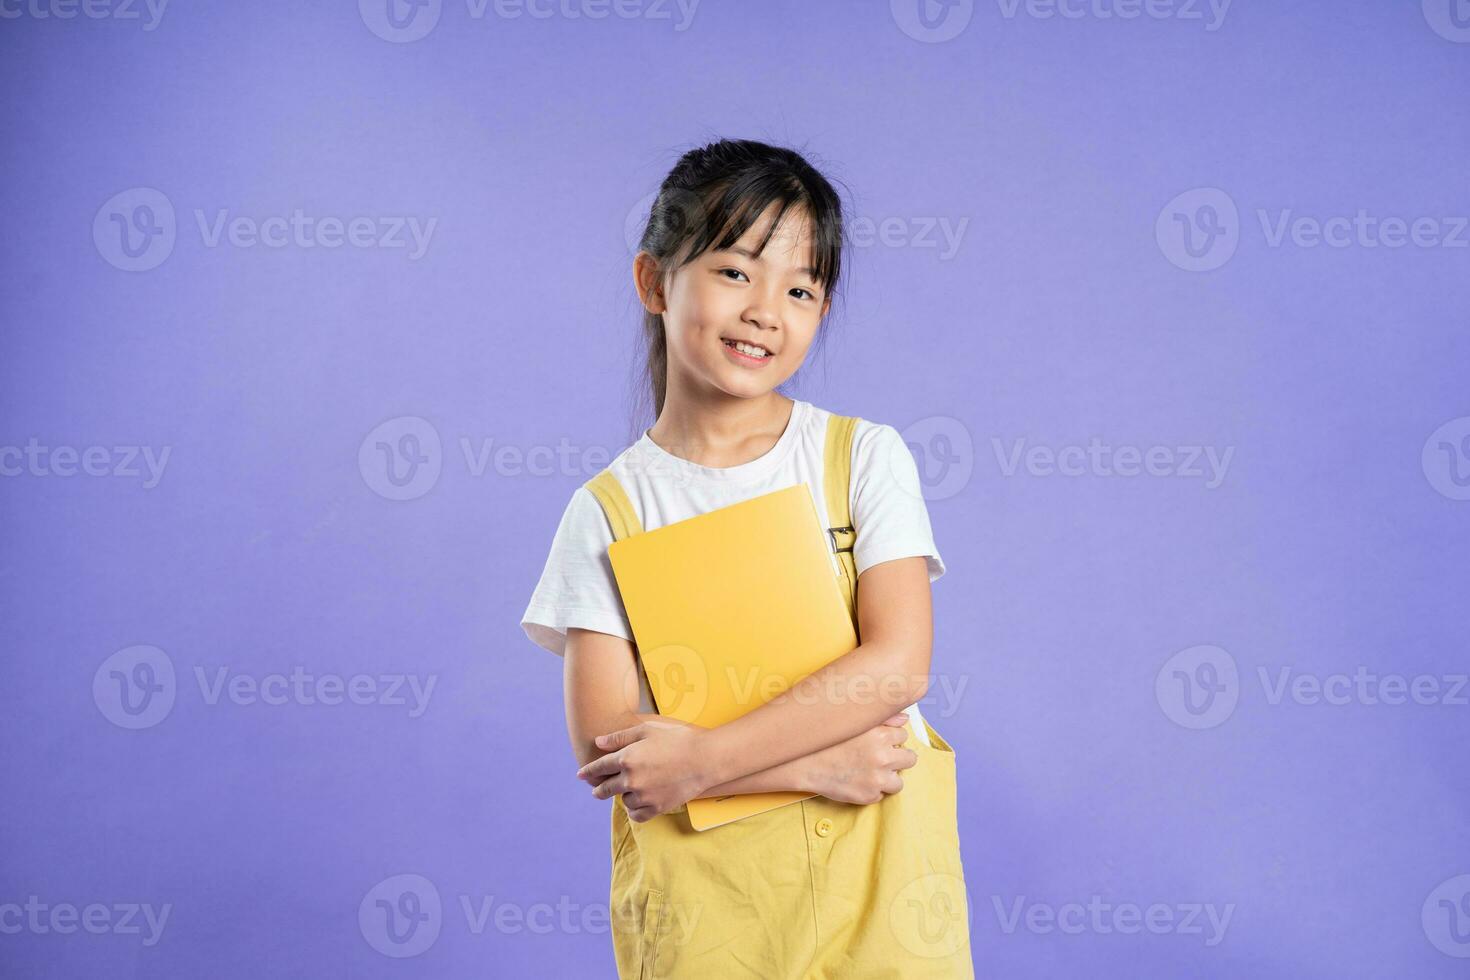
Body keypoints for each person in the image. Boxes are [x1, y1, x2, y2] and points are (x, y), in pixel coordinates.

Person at [520, 137, 974, 978]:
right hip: (711, 912)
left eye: (801, 288)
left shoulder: (861, 457)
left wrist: (702, 762)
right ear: (655, 281)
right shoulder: (609, 513)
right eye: (736, 272)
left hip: (879, 885)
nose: (768, 308)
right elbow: (613, 754)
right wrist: (812, 765)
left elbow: (898, 667)